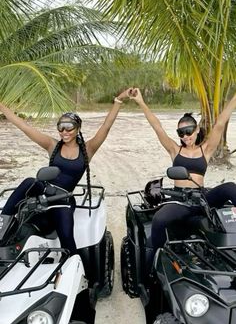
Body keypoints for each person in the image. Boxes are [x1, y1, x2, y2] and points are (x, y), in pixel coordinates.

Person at [0, 89, 131, 254]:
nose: (64, 131)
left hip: (63, 200)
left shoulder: (87, 150)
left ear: (78, 128)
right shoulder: (52, 145)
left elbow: (106, 126)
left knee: (68, 241)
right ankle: (2, 224)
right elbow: (25, 127)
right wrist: (2, 106)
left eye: (69, 127)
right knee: (29, 182)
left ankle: (78, 272)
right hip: (44, 192)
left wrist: (119, 100)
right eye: (60, 127)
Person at [130, 87, 236, 251]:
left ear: (197, 129)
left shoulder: (205, 150)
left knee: (230, 188)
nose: (186, 136)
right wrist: (141, 102)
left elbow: (220, 123)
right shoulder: (175, 150)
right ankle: (155, 259)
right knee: (159, 219)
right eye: (181, 133)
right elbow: (157, 127)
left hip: (202, 199)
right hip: (181, 201)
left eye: (189, 131)